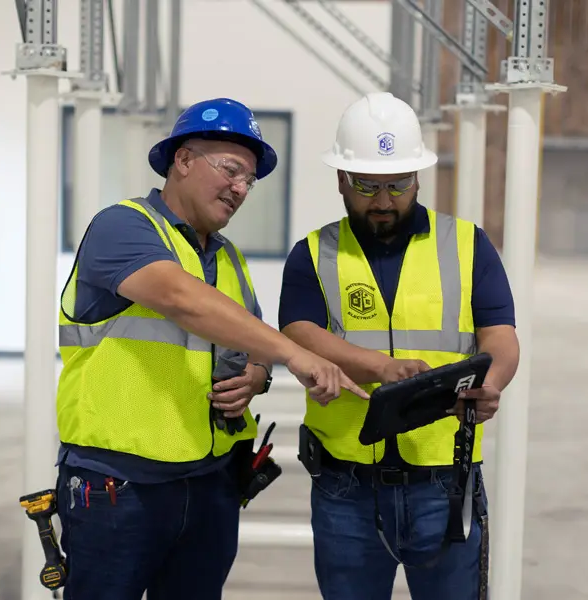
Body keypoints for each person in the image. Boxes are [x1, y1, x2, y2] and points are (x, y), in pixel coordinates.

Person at [52, 97, 367, 600]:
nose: (241, 188)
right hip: (121, 485)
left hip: (210, 483)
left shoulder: (228, 257)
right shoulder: (123, 226)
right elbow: (183, 300)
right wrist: (295, 354)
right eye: (231, 170)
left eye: (249, 180)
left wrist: (259, 373)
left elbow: (249, 335)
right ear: (182, 159)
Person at [278, 92, 521, 600]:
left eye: (398, 185)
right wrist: (378, 367)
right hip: (346, 486)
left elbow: (499, 333)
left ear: (418, 178)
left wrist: (491, 383)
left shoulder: (467, 244)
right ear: (341, 179)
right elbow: (299, 330)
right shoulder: (313, 254)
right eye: (367, 186)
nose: (384, 202)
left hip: (444, 480)